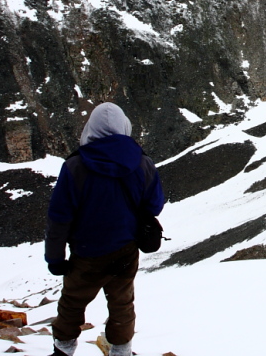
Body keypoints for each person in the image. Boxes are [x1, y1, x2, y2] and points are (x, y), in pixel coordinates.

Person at [45, 102, 165, 356]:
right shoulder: (143, 163)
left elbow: (59, 217)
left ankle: (63, 350)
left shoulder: (75, 166)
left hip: (86, 251)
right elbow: (154, 205)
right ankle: (121, 350)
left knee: (72, 302)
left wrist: (55, 258)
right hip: (126, 249)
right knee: (122, 302)